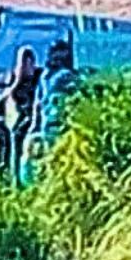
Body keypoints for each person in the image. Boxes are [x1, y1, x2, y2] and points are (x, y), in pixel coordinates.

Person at [19, 38, 79, 187]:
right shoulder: (61, 76)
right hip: (55, 126)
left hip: (50, 124)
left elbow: (38, 104)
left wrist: (34, 126)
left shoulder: (46, 76)